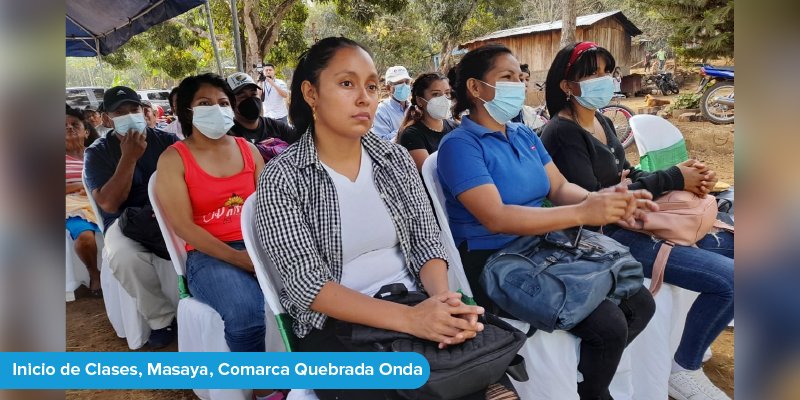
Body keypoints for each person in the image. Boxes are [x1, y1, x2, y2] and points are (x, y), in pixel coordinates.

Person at [255, 36, 515, 400]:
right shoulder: (283, 177)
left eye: (372, 86)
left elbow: (427, 240)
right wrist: (413, 320)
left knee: (473, 375)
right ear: (311, 93)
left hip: (415, 299)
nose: (365, 97)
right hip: (335, 327)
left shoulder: (394, 160)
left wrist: (442, 304)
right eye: (347, 83)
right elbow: (306, 284)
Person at [436, 43, 657, 400]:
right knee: (609, 325)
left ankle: (584, 378)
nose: (518, 85)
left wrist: (603, 199)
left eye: (520, 77)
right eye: (505, 77)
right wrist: (583, 213)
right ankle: (593, 393)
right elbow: (496, 217)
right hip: (496, 261)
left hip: (543, 245)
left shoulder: (523, 134)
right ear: (475, 88)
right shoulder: (459, 145)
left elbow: (558, 186)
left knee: (641, 303)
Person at [539, 42, 734, 400]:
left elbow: (623, 172)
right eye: (592, 74)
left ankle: (699, 340)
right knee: (731, 280)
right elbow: (595, 201)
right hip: (606, 235)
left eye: (606, 71)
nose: (604, 80)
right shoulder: (560, 133)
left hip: (638, 217)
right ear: (567, 85)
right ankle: (683, 367)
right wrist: (673, 178)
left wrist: (679, 176)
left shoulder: (598, 118)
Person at [155, 74, 281, 400]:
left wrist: (268, 250)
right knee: (244, 312)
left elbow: (267, 206)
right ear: (187, 111)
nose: (217, 109)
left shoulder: (248, 149)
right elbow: (183, 226)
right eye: (205, 103)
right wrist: (239, 258)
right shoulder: (173, 159)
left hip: (256, 244)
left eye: (223, 103)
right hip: (208, 256)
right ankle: (262, 388)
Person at [83, 86, 179, 349]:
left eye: (134, 109)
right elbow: (109, 203)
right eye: (120, 112)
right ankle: (162, 319)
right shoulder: (98, 152)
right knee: (124, 257)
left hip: (168, 213)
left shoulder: (168, 142)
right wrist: (129, 158)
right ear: (106, 118)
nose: (129, 116)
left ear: (144, 110)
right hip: (124, 222)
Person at [66, 105, 102, 296]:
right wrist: (81, 186)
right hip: (72, 204)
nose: (69, 128)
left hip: (100, 199)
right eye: (63, 126)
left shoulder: (98, 153)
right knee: (85, 238)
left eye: (74, 124)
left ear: (86, 131)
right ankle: (94, 274)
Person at [226, 72, 299, 161]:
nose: (251, 100)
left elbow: (302, 146)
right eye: (242, 97)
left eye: (253, 94)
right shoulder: (229, 136)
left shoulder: (276, 126)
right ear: (230, 103)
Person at [396, 72, 457, 171]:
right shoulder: (411, 135)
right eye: (436, 94)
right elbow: (431, 173)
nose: (444, 99)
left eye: (447, 93)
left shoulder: (455, 128)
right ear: (420, 101)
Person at [371, 65, 412, 141]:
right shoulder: (381, 112)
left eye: (407, 82)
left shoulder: (413, 107)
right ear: (388, 88)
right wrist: (406, 129)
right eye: (399, 83)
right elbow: (381, 144)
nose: (405, 86)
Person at [510, 63, 545, 132]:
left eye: (527, 79)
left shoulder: (526, 111)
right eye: (521, 79)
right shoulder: (506, 112)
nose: (525, 83)